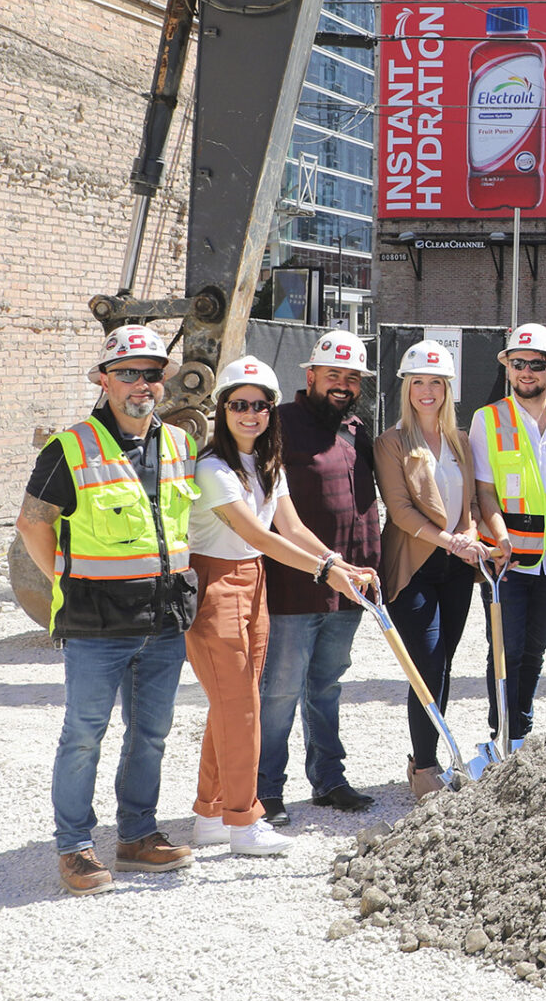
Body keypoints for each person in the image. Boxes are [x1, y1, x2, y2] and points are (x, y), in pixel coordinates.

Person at [15, 326, 202, 893]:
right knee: (84, 734)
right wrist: (64, 582)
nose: (139, 384)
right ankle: (74, 847)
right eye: (126, 373)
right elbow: (32, 523)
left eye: (150, 373)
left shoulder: (180, 445)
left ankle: (137, 836)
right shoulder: (69, 449)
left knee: (151, 733)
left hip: (163, 621)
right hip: (98, 626)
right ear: (104, 380)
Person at [186, 355, 377, 855]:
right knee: (244, 708)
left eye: (261, 405)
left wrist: (340, 563)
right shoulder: (212, 468)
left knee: (231, 705)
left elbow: (290, 528)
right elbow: (257, 534)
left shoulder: (266, 463)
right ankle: (245, 818)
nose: (251, 413)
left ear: (272, 409)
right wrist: (326, 571)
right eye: (239, 404)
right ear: (222, 409)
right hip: (217, 584)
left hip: (254, 585)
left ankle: (210, 813)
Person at [257, 329, 383, 826]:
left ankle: (328, 779)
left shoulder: (355, 428)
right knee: (281, 690)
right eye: (333, 375)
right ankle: (266, 790)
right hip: (295, 585)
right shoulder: (280, 424)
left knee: (326, 685)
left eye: (352, 378)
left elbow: (366, 504)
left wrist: (371, 569)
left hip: (347, 586)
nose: (343, 385)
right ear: (310, 375)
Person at [377, 340, 488, 797]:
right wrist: (452, 541)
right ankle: (422, 766)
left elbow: (474, 503)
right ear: (407, 388)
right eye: (418, 382)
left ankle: (433, 755)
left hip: (457, 568)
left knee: (445, 664)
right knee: (427, 663)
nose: (427, 391)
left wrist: (472, 537)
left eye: (435, 383)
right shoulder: (391, 442)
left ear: (447, 389)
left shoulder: (462, 442)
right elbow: (400, 510)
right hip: (415, 565)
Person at [470, 324, 546, 747]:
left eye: (536, 364)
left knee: (535, 650)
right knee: (505, 648)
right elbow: (484, 491)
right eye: (518, 363)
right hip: (506, 560)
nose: (526, 372)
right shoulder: (488, 419)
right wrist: (500, 540)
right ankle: (503, 731)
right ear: (508, 367)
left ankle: (522, 730)